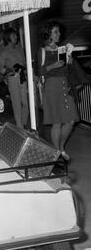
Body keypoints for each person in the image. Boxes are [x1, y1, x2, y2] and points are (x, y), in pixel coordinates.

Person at [37, 20, 79, 161]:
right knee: (56, 122)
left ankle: (60, 147)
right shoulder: (42, 51)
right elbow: (40, 72)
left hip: (64, 86)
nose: (59, 34)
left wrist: (70, 62)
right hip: (51, 87)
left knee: (71, 120)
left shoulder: (62, 49)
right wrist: (53, 65)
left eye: (58, 31)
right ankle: (59, 150)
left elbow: (67, 70)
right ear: (48, 34)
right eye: (56, 32)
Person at [0, 27, 29, 129]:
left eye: (16, 35)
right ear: (8, 37)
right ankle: (20, 128)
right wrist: (9, 70)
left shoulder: (20, 48)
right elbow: (1, 69)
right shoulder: (4, 51)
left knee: (25, 103)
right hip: (12, 77)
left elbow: (24, 63)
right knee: (16, 103)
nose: (16, 37)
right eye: (13, 35)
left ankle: (23, 124)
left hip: (22, 76)